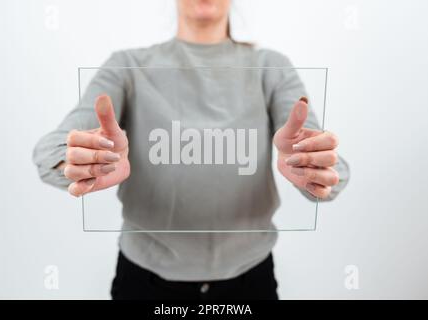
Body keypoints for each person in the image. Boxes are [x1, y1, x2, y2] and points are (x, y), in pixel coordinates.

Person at [33, 0, 349, 300]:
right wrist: (83, 159)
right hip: (144, 282)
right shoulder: (127, 66)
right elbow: (50, 152)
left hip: (250, 280)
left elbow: (334, 168)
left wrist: (311, 165)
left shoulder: (271, 67)